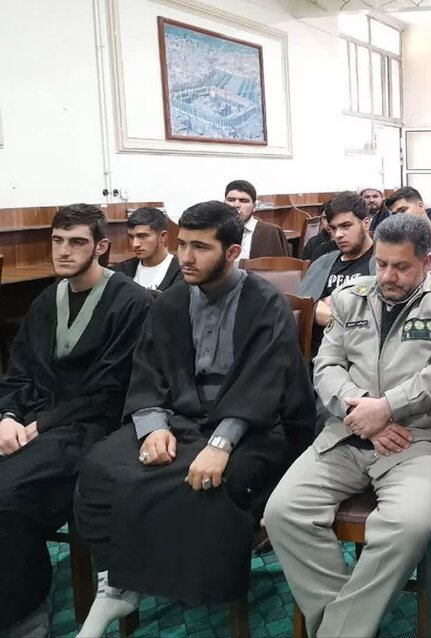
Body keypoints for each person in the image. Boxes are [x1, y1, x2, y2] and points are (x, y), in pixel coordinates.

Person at [74, 201, 315, 636]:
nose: (185, 257)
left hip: (258, 425)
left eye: (200, 247)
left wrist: (221, 444)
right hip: (181, 417)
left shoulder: (266, 304)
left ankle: (174, 586)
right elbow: (147, 369)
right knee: (102, 467)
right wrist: (152, 426)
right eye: (182, 244)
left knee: (209, 483)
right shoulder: (172, 301)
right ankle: (117, 583)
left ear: (232, 252)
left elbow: (266, 384)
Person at [264, 213, 431, 638]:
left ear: (427, 262)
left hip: (416, 440)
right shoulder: (351, 298)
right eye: (380, 264)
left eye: (400, 266)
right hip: (347, 432)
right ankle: (348, 626)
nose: (386, 276)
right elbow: (326, 366)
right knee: (282, 513)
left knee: (408, 527)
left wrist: (387, 408)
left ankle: (335, 631)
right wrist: (363, 410)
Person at [0, 204, 150, 637]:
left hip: (93, 428)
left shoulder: (131, 302)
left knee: (6, 497)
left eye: (77, 242)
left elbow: (113, 388)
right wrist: (8, 415)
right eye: (57, 240)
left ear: (101, 246)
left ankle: (23, 616)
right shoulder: (48, 299)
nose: (63, 251)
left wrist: (43, 425)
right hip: (33, 419)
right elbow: (19, 370)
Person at [297, 192, 376, 358]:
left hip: (364, 353)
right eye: (333, 228)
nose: (338, 234)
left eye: (346, 226)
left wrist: (330, 303)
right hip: (317, 354)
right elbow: (302, 306)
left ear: (366, 224)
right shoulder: (323, 262)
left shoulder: (382, 262)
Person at [115, 206, 181, 291]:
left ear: (163, 236)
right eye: (131, 237)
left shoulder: (181, 271)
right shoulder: (123, 270)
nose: (135, 244)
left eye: (142, 236)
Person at [224, 179, 290, 260]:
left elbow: (283, 265)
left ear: (254, 207)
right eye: (231, 200)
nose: (236, 205)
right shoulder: (217, 230)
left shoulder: (270, 232)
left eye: (243, 201)